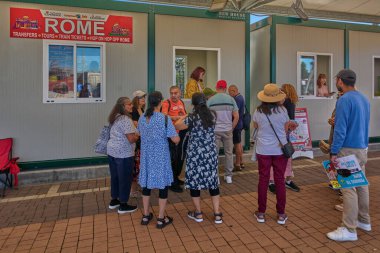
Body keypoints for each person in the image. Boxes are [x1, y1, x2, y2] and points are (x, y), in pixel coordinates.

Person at [327, 69, 371, 242]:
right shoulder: (364, 98)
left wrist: (334, 151)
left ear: (339, 81)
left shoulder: (344, 100)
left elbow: (340, 128)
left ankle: (349, 229)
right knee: (361, 184)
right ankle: (364, 221)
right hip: (361, 147)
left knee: (348, 188)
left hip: (347, 149)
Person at [252, 83, 297, 225]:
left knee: (263, 180)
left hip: (263, 150)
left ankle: (261, 213)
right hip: (279, 150)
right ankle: (281, 214)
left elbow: (256, 126)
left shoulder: (258, 111)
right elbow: (286, 129)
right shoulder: (283, 111)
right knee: (280, 180)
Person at [175, 93, 223, 224]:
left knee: (195, 182)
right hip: (210, 153)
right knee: (213, 181)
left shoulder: (192, 117)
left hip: (195, 154)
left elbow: (177, 125)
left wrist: (185, 115)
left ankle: (198, 213)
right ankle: (217, 214)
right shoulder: (212, 114)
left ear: (193, 103)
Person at [138, 91, 180, 229]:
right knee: (163, 187)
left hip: (146, 157)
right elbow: (175, 139)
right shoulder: (164, 119)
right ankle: (161, 218)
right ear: (161, 102)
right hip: (161, 157)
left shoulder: (142, 118)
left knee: (146, 186)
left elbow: (140, 134)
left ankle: (145, 215)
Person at [106, 97, 140, 214]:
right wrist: (138, 133)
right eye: (129, 104)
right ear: (123, 106)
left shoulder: (115, 117)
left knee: (115, 177)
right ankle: (123, 205)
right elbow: (131, 139)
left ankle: (114, 200)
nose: (131, 106)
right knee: (125, 178)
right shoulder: (126, 119)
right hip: (123, 153)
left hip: (112, 151)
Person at [268, 84, 300, 193]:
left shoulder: (278, 106)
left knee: (278, 158)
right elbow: (290, 121)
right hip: (283, 136)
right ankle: (286, 180)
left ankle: (274, 181)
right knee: (287, 157)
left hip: (276, 137)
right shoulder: (289, 104)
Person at [207, 80, 239, 184]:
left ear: (216, 88)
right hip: (227, 130)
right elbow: (236, 116)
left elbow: (206, 116)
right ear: (225, 88)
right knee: (229, 153)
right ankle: (228, 176)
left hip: (215, 130)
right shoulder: (231, 99)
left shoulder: (211, 100)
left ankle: (215, 176)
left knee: (214, 154)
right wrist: (231, 127)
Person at [161, 86, 187, 193]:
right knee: (173, 159)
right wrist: (174, 118)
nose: (173, 95)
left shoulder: (181, 102)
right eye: (171, 93)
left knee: (179, 158)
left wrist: (184, 117)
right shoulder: (166, 103)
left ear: (180, 93)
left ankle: (175, 177)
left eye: (175, 93)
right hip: (170, 135)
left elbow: (184, 114)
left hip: (180, 133)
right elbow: (163, 116)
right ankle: (171, 182)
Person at [130, 90, 146, 198]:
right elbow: (137, 124)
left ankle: (137, 187)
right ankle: (133, 190)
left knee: (139, 165)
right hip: (137, 141)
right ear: (136, 99)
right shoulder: (134, 110)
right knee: (135, 166)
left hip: (142, 141)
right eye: (141, 98)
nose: (144, 99)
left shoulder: (142, 109)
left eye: (144, 97)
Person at [228, 84, 245, 172]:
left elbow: (235, 113)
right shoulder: (240, 97)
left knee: (237, 144)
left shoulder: (237, 99)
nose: (228, 94)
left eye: (229, 92)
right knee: (239, 143)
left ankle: (237, 164)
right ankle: (241, 162)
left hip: (236, 125)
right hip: (239, 124)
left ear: (233, 91)